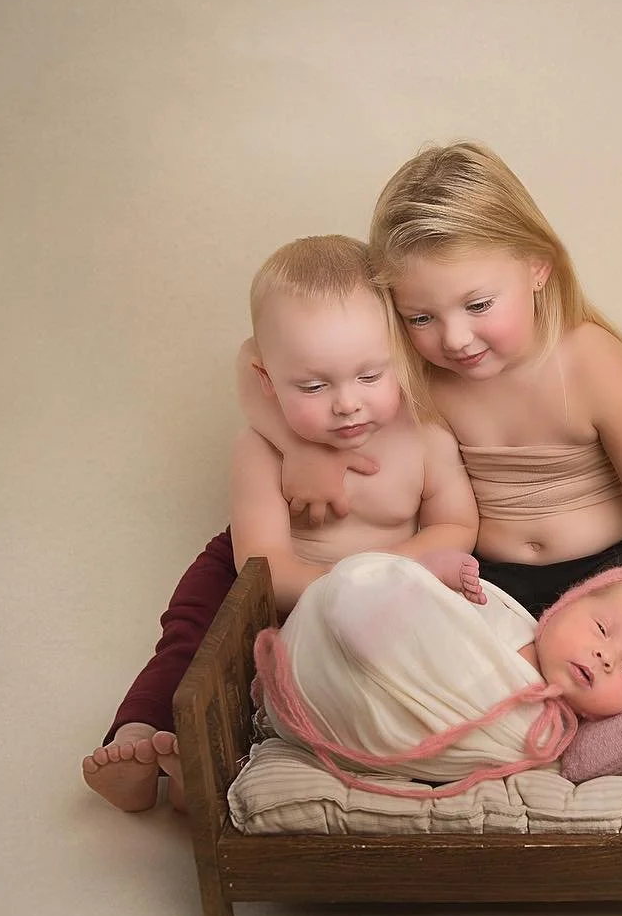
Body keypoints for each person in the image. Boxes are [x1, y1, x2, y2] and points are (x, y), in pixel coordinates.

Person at [253, 141, 622, 625]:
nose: (454, 338)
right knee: (419, 630)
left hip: (612, 568)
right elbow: (261, 358)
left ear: (537, 267)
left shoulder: (591, 362)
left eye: (478, 305)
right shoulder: (418, 367)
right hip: (490, 581)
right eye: (421, 316)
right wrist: (298, 448)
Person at [82, 235, 480, 812]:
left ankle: (197, 767)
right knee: (196, 643)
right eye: (314, 386)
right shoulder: (261, 449)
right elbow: (262, 566)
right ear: (267, 381)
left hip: (380, 591)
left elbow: (456, 524)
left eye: (370, 377)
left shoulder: (425, 435)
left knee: (360, 674)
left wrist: (385, 577)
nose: (347, 403)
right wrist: (346, 587)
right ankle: (138, 738)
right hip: (262, 578)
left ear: (402, 358)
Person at [253, 552, 622, 797]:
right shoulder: (506, 615)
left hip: (354, 706)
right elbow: (439, 624)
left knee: (366, 631)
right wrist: (433, 581)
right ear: (564, 606)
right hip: (372, 647)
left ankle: (326, 669)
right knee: (365, 583)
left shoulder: (542, 735)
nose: (605, 656)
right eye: (602, 628)